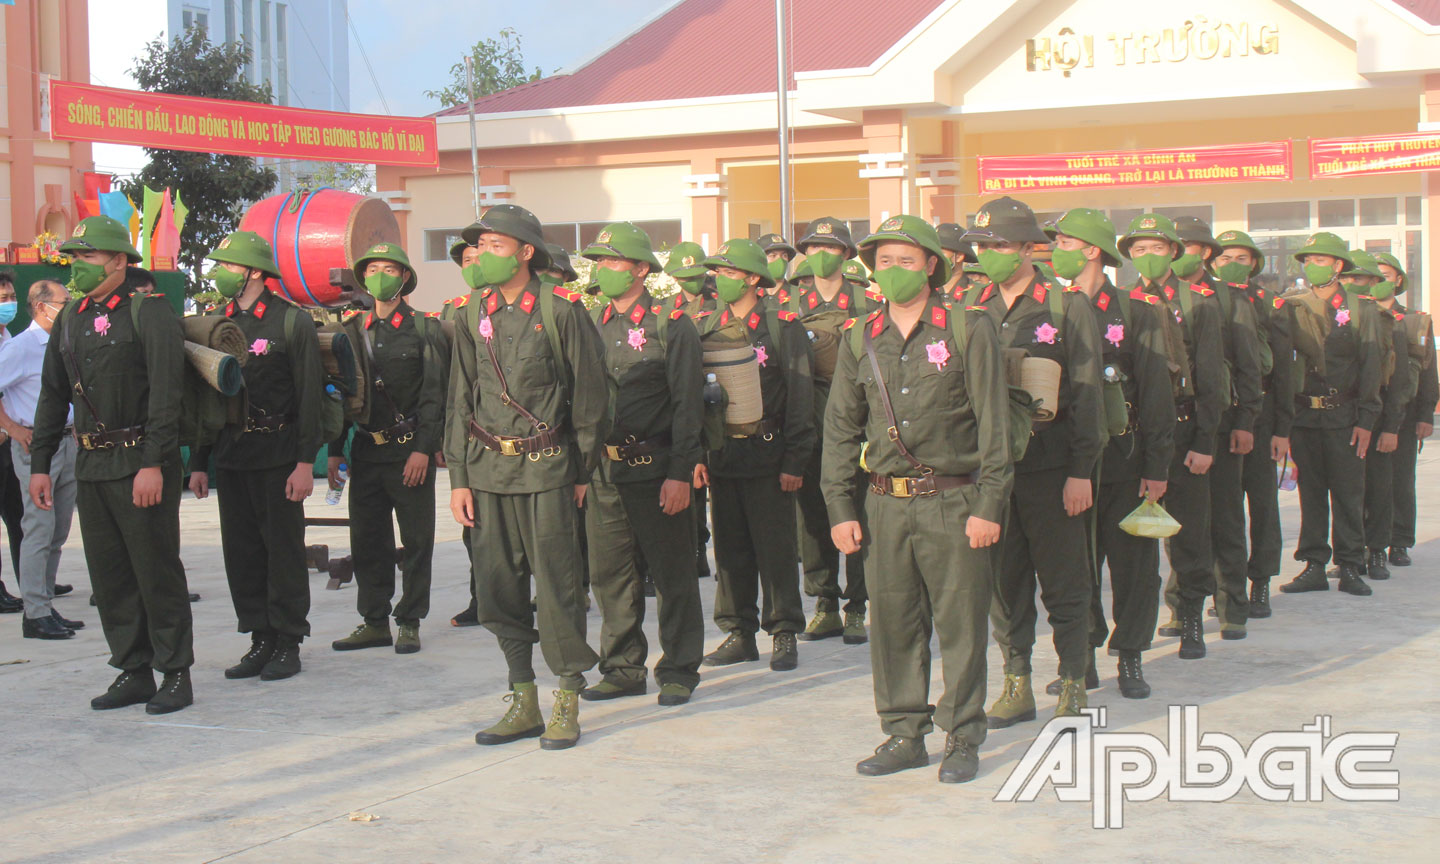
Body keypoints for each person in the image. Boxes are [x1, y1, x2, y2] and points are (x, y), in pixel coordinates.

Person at [823, 214, 1011, 783]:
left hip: (954, 501)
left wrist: (990, 504)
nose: (895, 270)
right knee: (895, 624)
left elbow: (994, 426)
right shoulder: (859, 335)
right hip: (884, 502)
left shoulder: (966, 328)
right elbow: (839, 428)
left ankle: (962, 735)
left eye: (907, 260)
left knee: (960, 623)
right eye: (884, 261)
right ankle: (904, 732)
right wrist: (839, 506)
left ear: (933, 265)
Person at [444, 203, 608, 750]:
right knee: (497, 589)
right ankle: (522, 697)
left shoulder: (562, 311)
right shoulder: (470, 312)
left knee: (559, 587)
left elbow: (589, 397)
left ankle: (566, 696)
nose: (484, 256)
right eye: (481, 247)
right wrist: (459, 478)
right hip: (488, 471)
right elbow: (459, 398)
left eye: (495, 246)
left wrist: (582, 470)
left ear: (525, 252)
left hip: (548, 470)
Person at [30, 216, 193, 714]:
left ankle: (175, 673)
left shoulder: (149, 312)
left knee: (155, 570)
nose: (77, 266)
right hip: (91, 464)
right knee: (111, 576)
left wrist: (155, 463)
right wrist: (40, 463)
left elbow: (168, 396)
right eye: (73, 258)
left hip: (140, 461)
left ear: (119, 261)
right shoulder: (72, 316)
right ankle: (133, 669)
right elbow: (53, 395)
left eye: (88, 257)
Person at [963, 196, 1104, 725]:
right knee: (1006, 582)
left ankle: (1072, 680)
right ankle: (1016, 681)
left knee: (1065, 581)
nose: (992, 254)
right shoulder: (972, 307)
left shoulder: (1066, 306)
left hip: (1052, 468)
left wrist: (1080, 471)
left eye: (1000, 244)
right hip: (994, 474)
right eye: (984, 246)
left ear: (1028, 248)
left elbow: (1087, 395)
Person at [578, 222, 706, 705]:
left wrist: (680, 473)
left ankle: (678, 668)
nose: (603, 270)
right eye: (599, 262)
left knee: (672, 573)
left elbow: (689, 406)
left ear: (639, 269)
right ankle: (622, 666)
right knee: (611, 574)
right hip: (604, 472)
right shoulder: (589, 321)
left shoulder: (671, 325)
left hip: (656, 467)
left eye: (612, 261)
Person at [189, 231, 325, 682]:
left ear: (252, 272)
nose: (219, 273)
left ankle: (288, 640)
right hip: (231, 454)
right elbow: (209, 399)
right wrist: (198, 463)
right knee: (242, 554)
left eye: (227, 265)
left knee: (282, 552)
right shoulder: (215, 322)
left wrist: (306, 462)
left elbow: (310, 397)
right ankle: (258, 637)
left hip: (279, 454)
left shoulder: (291, 322)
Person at [1050, 209, 1173, 698]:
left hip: (1124, 458)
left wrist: (1157, 466)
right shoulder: (1050, 307)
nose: (1055, 248)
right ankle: (1080, 657)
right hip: (1068, 462)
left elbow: (1157, 392)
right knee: (1074, 564)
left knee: (1134, 564)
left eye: (1063, 240)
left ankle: (1130, 655)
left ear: (1090, 249)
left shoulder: (1136, 310)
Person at [697, 238, 815, 673]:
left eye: (730, 273)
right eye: (719, 273)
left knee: (775, 547)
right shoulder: (705, 326)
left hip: (770, 452)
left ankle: (783, 631)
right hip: (723, 453)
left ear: (752, 278)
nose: (721, 280)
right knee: (730, 548)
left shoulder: (782, 327)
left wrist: (795, 461)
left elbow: (801, 397)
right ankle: (738, 631)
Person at [328, 243, 445, 654]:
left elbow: (435, 396)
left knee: (416, 540)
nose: (381, 275)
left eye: (390, 269)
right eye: (373, 268)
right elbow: (342, 394)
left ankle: (409, 620)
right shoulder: (350, 329)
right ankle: (373, 620)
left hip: (408, 451)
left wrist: (423, 449)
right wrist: (335, 452)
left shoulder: (425, 328)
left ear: (405, 278)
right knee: (368, 540)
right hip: (365, 450)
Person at [1121, 214, 1224, 660]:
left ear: (1174, 252)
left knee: (1190, 532)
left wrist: (1205, 442)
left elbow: (1212, 379)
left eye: (1157, 248)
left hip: (1184, 431)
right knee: (1140, 535)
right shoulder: (1122, 304)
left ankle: (1191, 616)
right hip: (1139, 434)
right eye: (1139, 250)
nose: (1148, 257)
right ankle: (1138, 627)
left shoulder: (1199, 302)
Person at [1166, 217, 1263, 642]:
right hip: (1174, 426)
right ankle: (1180, 605)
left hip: (1221, 425)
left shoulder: (1226, 298)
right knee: (1177, 521)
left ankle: (1232, 606)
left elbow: (1248, 365)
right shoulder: (1149, 298)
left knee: (1223, 516)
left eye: (1181, 246)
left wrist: (1246, 420)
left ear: (1203, 252)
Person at [1278, 233, 1382, 597]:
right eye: (1308, 260)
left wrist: (1367, 420)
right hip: (1305, 416)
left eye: (1320, 260)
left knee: (1348, 492)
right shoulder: (1292, 306)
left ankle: (1351, 564)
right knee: (1311, 491)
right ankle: (1313, 564)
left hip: (1345, 416)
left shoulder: (1362, 309)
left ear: (1338, 266)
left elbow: (1371, 368)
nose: (1312, 266)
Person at [786, 217, 873, 645]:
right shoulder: (788, 302)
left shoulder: (865, 301)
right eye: (813, 247)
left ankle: (856, 605)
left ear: (845, 254)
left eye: (830, 246)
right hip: (808, 424)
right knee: (814, 517)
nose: (821, 254)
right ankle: (823, 602)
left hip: (857, 427)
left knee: (857, 512)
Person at [1209, 230, 1294, 619]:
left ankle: (1260, 582)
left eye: (1241, 258)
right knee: (1221, 508)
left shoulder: (1271, 304)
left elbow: (1283, 372)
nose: (1231, 264)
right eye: (1224, 257)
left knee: (1261, 503)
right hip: (1222, 415)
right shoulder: (1205, 298)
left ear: (1255, 263)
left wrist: (1281, 430)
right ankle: (1226, 589)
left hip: (1261, 415)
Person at [0, 280, 84, 638]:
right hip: (36, 444)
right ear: (41, 306)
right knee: (38, 526)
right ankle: (35, 612)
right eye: (63, 302)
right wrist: (14, 430)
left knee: (58, 529)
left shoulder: (66, 342)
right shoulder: (20, 347)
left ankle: (46, 604)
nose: (69, 307)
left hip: (68, 441)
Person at [1337, 251, 1413, 583]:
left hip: (1378, 419)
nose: (1353, 284)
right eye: (1348, 278)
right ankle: (1349, 554)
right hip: (1342, 419)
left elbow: (1399, 383)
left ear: (1374, 282)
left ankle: (1378, 550)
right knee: (1348, 492)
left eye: (1361, 278)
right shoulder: (1336, 318)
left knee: (1380, 489)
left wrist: (1392, 427)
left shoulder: (1388, 323)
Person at [1377, 251, 1435, 567]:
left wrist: (1426, 415)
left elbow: (1428, 371)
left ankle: (1399, 542)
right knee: (1363, 483)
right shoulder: (1356, 316)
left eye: (1385, 275)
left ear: (1398, 280)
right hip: (1367, 412)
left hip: (1405, 412)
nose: (1379, 281)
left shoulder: (1414, 320)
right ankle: (1363, 543)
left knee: (1400, 479)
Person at [441, 231, 485, 627]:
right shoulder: (451, 312)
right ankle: (481, 600)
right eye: (466, 262)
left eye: (479, 258)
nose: (474, 266)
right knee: (474, 526)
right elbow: (448, 384)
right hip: (468, 436)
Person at [0, 269, 26, 614]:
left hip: (9, 442)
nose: (8, 304)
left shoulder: (10, 338)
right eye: (2, 298)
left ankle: (33, 581)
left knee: (19, 516)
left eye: (10, 298)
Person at [934, 223, 977, 301]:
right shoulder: (924, 292)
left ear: (959, 256)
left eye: (941, 252)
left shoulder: (976, 293)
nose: (935, 257)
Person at [757, 233, 797, 302]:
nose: (780, 260)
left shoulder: (798, 296)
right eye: (773, 255)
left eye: (784, 255)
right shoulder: (752, 296)